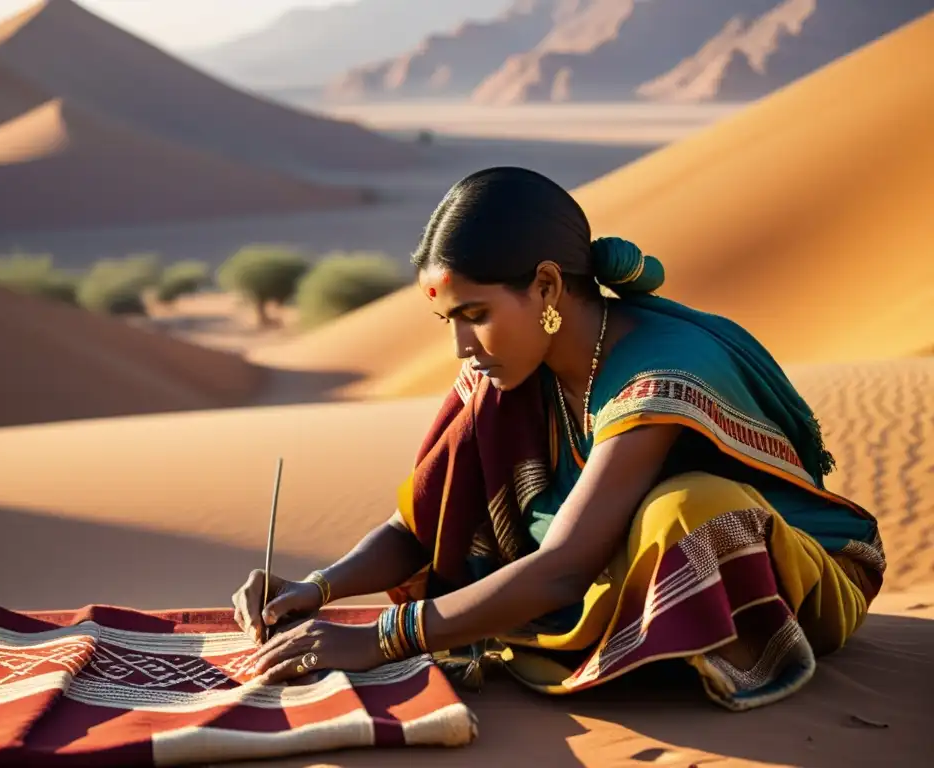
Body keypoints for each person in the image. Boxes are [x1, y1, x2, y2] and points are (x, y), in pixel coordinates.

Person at [233, 167, 885, 711]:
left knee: (689, 507)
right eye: (448, 321)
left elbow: (567, 565)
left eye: (475, 316)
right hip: (598, 587)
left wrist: (383, 638)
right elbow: (421, 526)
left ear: (546, 285)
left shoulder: (659, 374)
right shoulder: (510, 375)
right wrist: (316, 588)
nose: (462, 346)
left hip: (800, 583)